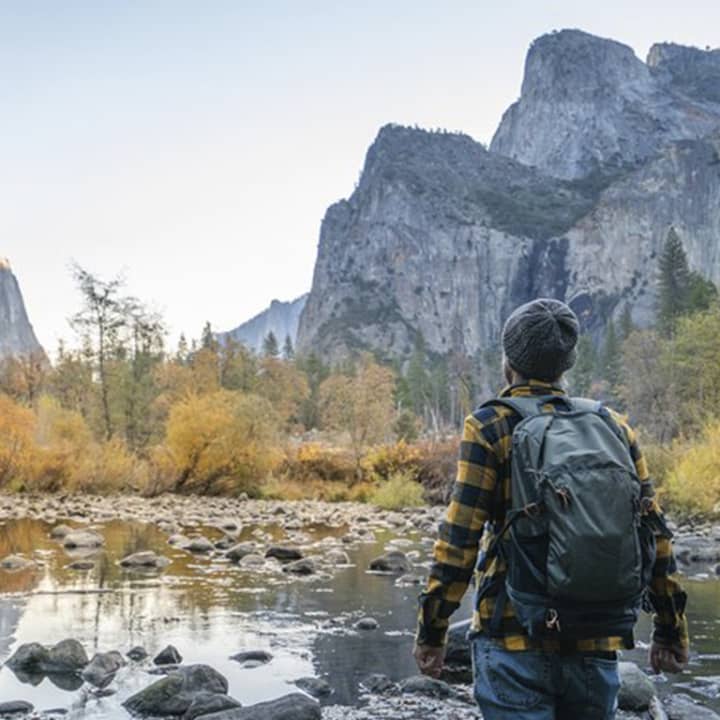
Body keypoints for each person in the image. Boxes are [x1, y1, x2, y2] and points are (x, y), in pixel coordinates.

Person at [414, 298, 689, 720]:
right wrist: (671, 629)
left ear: (509, 361)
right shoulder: (614, 427)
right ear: (567, 364)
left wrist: (431, 630)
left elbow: (458, 542)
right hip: (596, 641)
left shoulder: (489, 426)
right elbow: (654, 534)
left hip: (511, 636)